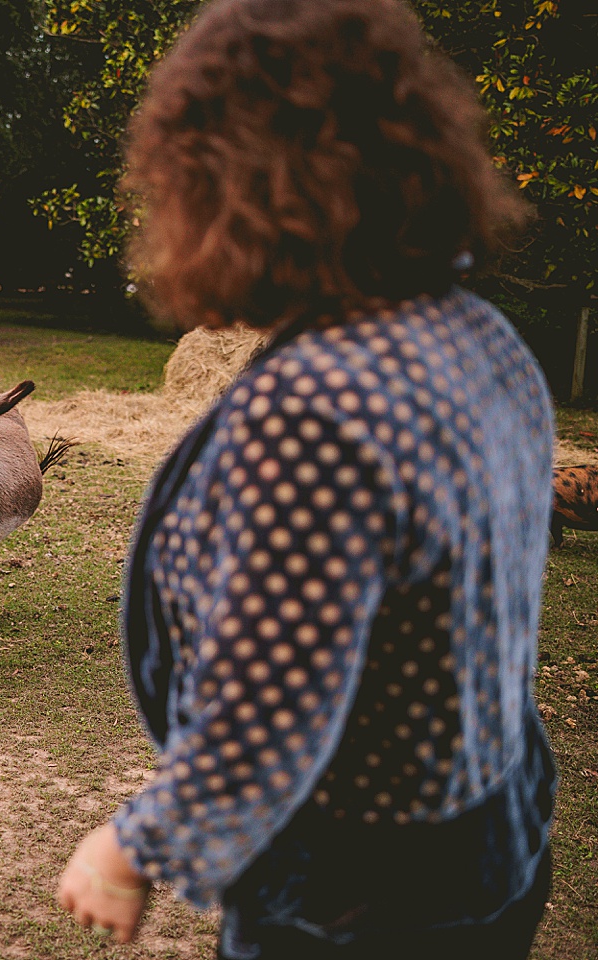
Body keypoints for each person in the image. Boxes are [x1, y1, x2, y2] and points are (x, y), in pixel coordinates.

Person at [55, 1, 556, 957]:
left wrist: (133, 843)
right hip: (494, 836)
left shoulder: (318, 409)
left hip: (358, 899)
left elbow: (269, 704)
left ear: (228, 183)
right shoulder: (484, 342)